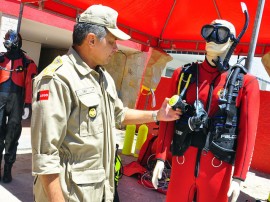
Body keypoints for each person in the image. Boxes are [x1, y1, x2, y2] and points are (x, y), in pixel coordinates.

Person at [31, 4, 181, 202]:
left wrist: (156, 115)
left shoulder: (103, 77)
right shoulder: (58, 79)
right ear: (91, 40)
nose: (116, 48)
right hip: (71, 194)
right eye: (111, 42)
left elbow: (118, 114)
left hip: (100, 190)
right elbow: (45, 156)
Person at [151, 19, 260, 202]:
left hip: (217, 167)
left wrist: (238, 177)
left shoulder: (245, 83)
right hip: (182, 161)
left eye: (221, 34)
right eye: (208, 31)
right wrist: (161, 157)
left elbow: (247, 134)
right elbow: (168, 118)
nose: (212, 38)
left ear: (232, 41)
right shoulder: (183, 75)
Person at [0, 29, 37, 183]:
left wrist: (28, 104)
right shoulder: (0, 59)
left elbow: (30, 83)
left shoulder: (28, 62)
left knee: (12, 137)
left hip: (17, 101)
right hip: (0, 100)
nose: (7, 43)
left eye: (10, 40)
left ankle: (8, 169)